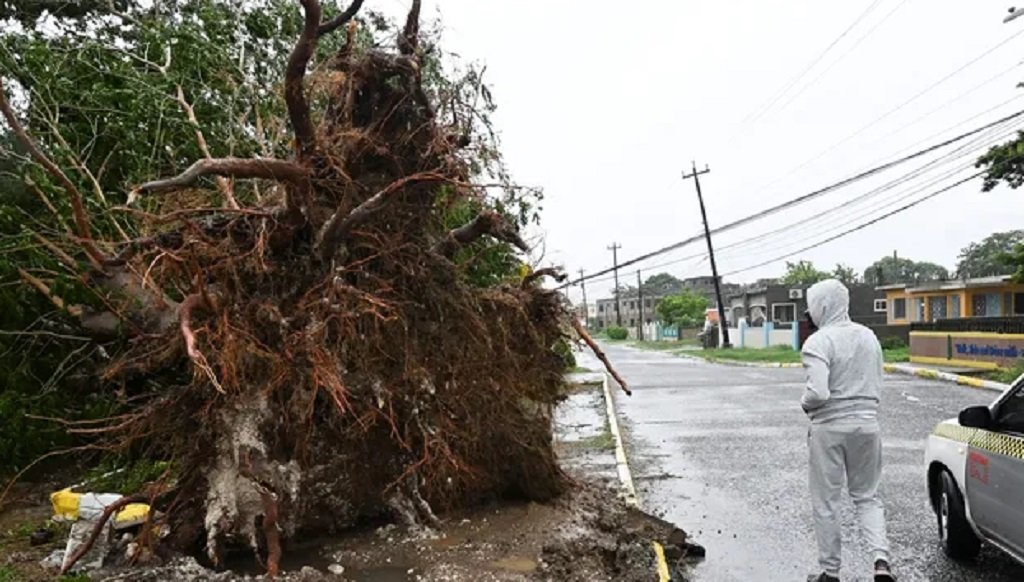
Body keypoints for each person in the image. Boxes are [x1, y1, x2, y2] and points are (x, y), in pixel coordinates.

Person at [801, 279, 895, 582]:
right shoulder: (869, 337)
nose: (810, 311)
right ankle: (881, 562)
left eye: (812, 304)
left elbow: (818, 393)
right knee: (867, 496)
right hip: (868, 425)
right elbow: (877, 381)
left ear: (823, 305)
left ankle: (830, 572)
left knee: (826, 501)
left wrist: (805, 405)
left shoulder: (818, 341)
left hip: (829, 428)